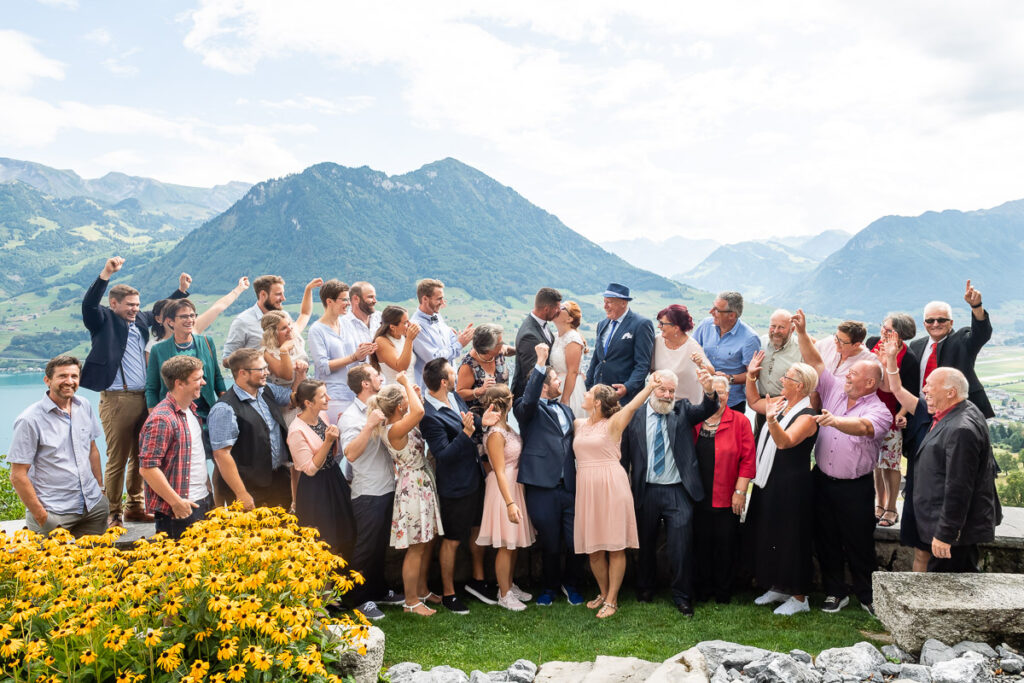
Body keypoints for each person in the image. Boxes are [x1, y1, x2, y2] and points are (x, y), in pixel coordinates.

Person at [795, 309, 891, 614]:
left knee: (859, 541)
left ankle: (867, 594)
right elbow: (815, 364)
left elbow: (864, 428)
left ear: (870, 383)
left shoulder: (879, 410)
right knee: (826, 538)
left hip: (855, 487)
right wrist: (801, 333)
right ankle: (835, 591)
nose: (845, 375)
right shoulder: (836, 388)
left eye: (852, 375)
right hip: (823, 480)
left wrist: (835, 421)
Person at [878, 336, 1002, 572]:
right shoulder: (951, 408)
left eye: (930, 388)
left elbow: (959, 488)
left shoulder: (961, 429)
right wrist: (892, 360)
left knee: (950, 592)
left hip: (953, 534)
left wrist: (945, 534)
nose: (924, 390)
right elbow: (897, 389)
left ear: (951, 392)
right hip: (941, 524)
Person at [81, 256, 187, 528]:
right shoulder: (102, 319)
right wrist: (106, 273)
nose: (135, 309)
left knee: (142, 456)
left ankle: (135, 506)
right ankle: (113, 512)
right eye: (129, 305)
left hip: (143, 397)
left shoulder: (139, 319)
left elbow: (160, 311)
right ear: (113, 304)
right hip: (116, 399)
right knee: (117, 457)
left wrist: (181, 292)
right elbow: (89, 303)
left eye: (137, 305)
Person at [620, 367, 718, 617]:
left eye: (671, 391)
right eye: (662, 389)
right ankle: (644, 589)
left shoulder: (682, 409)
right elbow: (625, 457)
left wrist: (708, 390)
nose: (666, 395)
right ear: (651, 387)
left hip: (678, 491)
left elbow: (707, 409)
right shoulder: (634, 415)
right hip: (646, 490)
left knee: (681, 547)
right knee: (645, 543)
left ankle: (682, 596)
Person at [574, 375, 660, 619]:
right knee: (594, 549)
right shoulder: (579, 424)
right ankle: (603, 592)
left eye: (589, 393)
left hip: (611, 484)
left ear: (598, 402)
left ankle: (612, 599)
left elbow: (632, 406)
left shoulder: (613, 423)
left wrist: (649, 387)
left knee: (614, 545)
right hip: (587, 487)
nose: (585, 395)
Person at [744, 355, 820, 615]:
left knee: (790, 537)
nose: (781, 380)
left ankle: (799, 597)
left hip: (792, 483)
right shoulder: (782, 402)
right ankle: (778, 585)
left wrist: (772, 421)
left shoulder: (809, 416)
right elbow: (754, 403)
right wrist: (751, 376)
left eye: (787, 377)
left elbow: (785, 442)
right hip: (769, 478)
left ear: (800, 385)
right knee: (769, 532)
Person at [420, 358, 497, 613]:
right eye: (452, 374)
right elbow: (443, 456)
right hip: (454, 486)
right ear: (444, 381)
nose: (456, 377)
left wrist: (480, 421)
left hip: (474, 476)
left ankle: (478, 580)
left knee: (476, 529)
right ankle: (449, 592)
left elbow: (469, 420)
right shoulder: (429, 416)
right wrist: (465, 433)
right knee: (452, 540)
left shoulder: (454, 398)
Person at [514, 344, 585, 607]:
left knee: (575, 540)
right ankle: (549, 587)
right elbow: (530, 398)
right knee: (551, 543)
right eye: (555, 379)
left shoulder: (566, 410)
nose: (560, 382)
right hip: (542, 486)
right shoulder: (526, 409)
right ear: (544, 384)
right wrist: (541, 362)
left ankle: (572, 583)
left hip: (569, 486)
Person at [8, 355, 108, 538]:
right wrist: (42, 516)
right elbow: (17, 475)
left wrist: (100, 489)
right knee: (52, 566)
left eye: (74, 376)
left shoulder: (84, 405)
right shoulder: (29, 420)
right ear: (47, 380)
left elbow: (92, 449)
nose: (69, 381)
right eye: (62, 376)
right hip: (54, 513)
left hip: (93, 508)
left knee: (93, 565)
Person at [371, 373, 442, 617]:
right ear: (399, 405)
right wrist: (403, 383)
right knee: (416, 548)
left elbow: (418, 413)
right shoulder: (393, 429)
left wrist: (412, 393)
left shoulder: (399, 424)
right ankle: (411, 601)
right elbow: (419, 412)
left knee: (424, 543)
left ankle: (421, 590)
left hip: (420, 484)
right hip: (412, 489)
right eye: (405, 399)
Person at [339, 364, 404, 621]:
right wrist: (368, 426)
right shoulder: (351, 417)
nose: (380, 377)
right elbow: (351, 454)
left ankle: (377, 590)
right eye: (376, 375)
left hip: (387, 486)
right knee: (365, 548)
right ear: (365, 383)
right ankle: (357, 599)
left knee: (379, 547)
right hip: (368, 492)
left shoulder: (380, 408)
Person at [692, 376, 755, 605]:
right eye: (713, 392)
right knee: (700, 544)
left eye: (723, 392)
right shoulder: (695, 420)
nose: (719, 397)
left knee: (725, 545)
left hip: (727, 495)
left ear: (729, 395)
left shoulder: (740, 421)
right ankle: (701, 590)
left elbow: (748, 460)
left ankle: (723, 592)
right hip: (697, 496)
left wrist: (740, 492)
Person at [208, 348, 296, 509]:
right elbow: (221, 454)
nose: (267, 372)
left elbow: (293, 399)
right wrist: (241, 493)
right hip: (248, 489)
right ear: (242, 373)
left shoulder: (267, 390)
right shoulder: (225, 409)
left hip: (278, 481)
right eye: (261, 369)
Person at [138, 355, 213, 539]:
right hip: (178, 510)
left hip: (200, 501)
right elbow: (148, 469)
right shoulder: (162, 419)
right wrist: (177, 503)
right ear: (180, 384)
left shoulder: (191, 410)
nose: (203, 382)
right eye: (197, 379)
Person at [476, 385, 536, 611]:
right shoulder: (495, 434)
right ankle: (503, 594)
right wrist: (510, 502)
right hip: (503, 489)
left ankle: (509, 585)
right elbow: (499, 470)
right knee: (506, 543)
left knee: (514, 543)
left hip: (514, 485)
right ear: (507, 402)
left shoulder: (506, 426)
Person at [287, 380, 356, 560]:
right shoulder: (296, 431)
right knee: (325, 539)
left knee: (344, 531)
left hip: (334, 478)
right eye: (323, 396)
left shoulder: (323, 417)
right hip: (315, 488)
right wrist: (327, 441)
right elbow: (309, 469)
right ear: (308, 403)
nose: (329, 398)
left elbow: (333, 452)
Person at [908, 280, 994, 418]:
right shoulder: (916, 345)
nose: (935, 324)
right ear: (924, 324)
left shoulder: (962, 341)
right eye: (930, 321)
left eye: (941, 320)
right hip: (921, 412)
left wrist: (976, 306)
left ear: (951, 322)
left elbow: (982, 334)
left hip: (955, 414)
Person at [865, 313, 919, 528]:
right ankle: (879, 503)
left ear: (899, 334)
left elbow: (910, 391)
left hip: (890, 413)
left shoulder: (909, 357)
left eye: (888, 330)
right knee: (876, 463)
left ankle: (891, 507)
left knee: (890, 463)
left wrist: (902, 414)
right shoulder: (872, 343)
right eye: (883, 328)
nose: (883, 333)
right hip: (869, 410)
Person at [145, 298, 227, 433]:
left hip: (206, 414)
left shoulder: (207, 342)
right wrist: (155, 417)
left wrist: (225, 405)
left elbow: (217, 377)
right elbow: (151, 388)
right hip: (174, 416)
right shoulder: (158, 350)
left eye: (192, 315)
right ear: (170, 321)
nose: (189, 320)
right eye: (183, 316)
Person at [308, 279, 377, 427]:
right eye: (344, 299)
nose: (348, 303)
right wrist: (353, 357)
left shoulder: (346, 323)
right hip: (335, 396)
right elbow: (323, 366)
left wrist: (364, 353)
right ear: (329, 301)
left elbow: (357, 356)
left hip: (357, 393)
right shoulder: (317, 330)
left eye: (348, 299)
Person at [221, 275, 321, 361]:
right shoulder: (243, 322)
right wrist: (253, 363)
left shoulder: (284, 316)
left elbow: (304, 315)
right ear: (263, 295)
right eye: (278, 294)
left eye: (283, 293)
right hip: (262, 382)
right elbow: (227, 358)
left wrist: (308, 289)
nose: (283, 298)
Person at [585, 283, 655, 403]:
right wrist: (588, 385)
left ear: (624, 303)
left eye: (609, 302)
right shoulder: (602, 324)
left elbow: (643, 364)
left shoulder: (641, 324)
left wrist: (627, 387)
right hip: (599, 395)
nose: (605, 306)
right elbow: (597, 358)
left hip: (623, 398)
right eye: (604, 301)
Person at [692, 291, 761, 412]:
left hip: (731, 403)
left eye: (717, 310)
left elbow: (753, 375)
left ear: (732, 315)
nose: (711, 312)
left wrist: (730, 378)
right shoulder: (705, 325)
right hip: (701, 398)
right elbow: (691, 348)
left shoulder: (750, 338)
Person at [146, 276, 251, 354]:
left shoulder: (193, 329)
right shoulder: (153, 346)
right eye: (169, 314)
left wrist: (239, 289)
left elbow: (218, 307)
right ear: (159, 319)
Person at [410, 278, 473, 390]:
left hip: (448, 387)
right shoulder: (416, 326)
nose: (443, 303)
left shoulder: (437, 316)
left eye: (443, 298)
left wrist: (460, 338)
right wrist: (459, 344)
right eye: (439, 299)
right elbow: (434, 359)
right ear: (425, 299)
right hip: (431, 391)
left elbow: (449, 343)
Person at [753, 309, 802, 436]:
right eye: (773, 326)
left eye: (781, 327)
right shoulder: (761, 342)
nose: (775, 331)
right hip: (762, 404)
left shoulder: (800, 349)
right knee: (758, 444)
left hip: (786, 405)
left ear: (792, 330)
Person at [511, 287, 562, 400]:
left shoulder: (541, 323)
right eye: (557, 308)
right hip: (532, 399)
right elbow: (533, 374)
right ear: (546, 309)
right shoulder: (529, 336)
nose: (559, 311)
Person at [651, 304, 706, 404]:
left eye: (662, 323)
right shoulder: (657, 341)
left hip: (687, 407)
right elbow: (652, 370)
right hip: (662, 402)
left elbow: (711, 372)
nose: (659, 326)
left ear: (676, 328)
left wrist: (700, 364)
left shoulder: (693, 347)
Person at [457, 323, 513, 414]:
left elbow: (508, 350)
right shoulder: (468, 366)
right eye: (500, 343)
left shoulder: (498, 351)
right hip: (479, 420)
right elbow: (460, 394)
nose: (503, 344)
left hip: (501, 414)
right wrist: (480, 390)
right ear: (488, 349)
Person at [550, 301, 587, 418]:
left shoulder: (573, 338)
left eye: (562, 308)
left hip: (569, 389)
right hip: (555, 387)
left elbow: (573, 372)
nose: (557, 308)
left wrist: (565, 400)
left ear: (569, 319)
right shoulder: (555, 336)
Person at [261, 309, 311, 390]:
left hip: (304, 388)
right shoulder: (268, 353)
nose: (290, 329)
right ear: (273, 333)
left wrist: (308, 295)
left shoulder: (294, 336)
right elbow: (287, 376)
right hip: (285, 397)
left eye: (289, 324)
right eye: (284, 328)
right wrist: (284, 350)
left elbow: (305, 313)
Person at [371, 305, 421, 384]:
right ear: (392, 327)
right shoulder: (381, 341)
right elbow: (401, 367)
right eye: (405, 323)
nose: (409, 325)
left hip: (412, 388)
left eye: (408, 321)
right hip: (396, 391)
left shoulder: (403, 337)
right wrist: (409, 339)